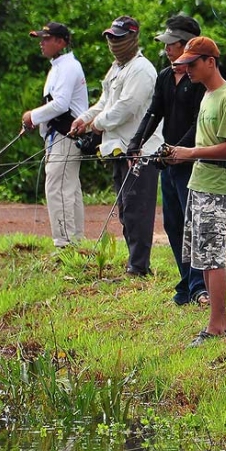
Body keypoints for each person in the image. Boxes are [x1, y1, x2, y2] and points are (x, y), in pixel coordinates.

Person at [164, 36, 226, 347]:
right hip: (199, 184)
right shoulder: (207, 96)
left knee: (213, 257)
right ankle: (218, 321)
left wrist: (189, 153)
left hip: (217, 187)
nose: (187, 70)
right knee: (202, 255)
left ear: (210, 62)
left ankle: (216, 325)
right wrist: (178, 153)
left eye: (192, 64)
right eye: (184, 65)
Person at [71, 15, 162, 276]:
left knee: (138, 210)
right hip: (117, 148)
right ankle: (134, 263)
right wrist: (85, 119)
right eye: (110, 37)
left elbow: (127, 107)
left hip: (141, 151)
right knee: (125, 209)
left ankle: (139, 267)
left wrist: (97, 125)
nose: (113, 42)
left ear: (133, 38)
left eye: (119, 37)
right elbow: (105, 102)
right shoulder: (116, 68)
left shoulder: (142, 69)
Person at [128, 14, 208, 306]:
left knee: (193, 223)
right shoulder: (165, 76)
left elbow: (200, 122)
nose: (167, 50)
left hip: (193, 162)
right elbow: (153, 113)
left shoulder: (200, 78)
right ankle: (186, 281)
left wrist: (178, 149)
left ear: (188, 46)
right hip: (168, 162)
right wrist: (136, 142)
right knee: (173, 224)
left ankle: (200, 285)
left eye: (172, 45)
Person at [21, 21, 90, 248]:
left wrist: (32, 116)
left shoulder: (69, 66)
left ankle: (65, 244)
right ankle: (74, 241)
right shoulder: (58, 66)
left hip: (67, 135)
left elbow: (60, 104)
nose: (42, 43)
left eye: (46, 39)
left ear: (60, 42)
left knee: (58, 189)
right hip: (58, 136)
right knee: (68, 188)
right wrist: (36, 122)